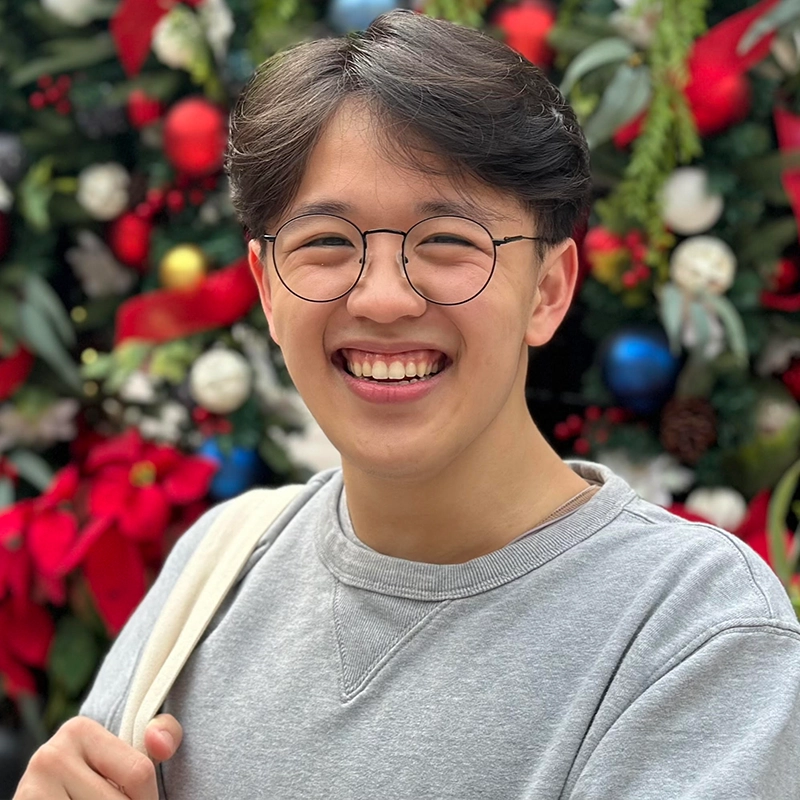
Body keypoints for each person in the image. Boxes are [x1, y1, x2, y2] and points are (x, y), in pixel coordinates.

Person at [14, 10, 800, 800]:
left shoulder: (690, 631)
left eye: (449, 242)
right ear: (266, 291)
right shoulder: (219, 567)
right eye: (326, 243)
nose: (384, 298)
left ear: (549, 290)